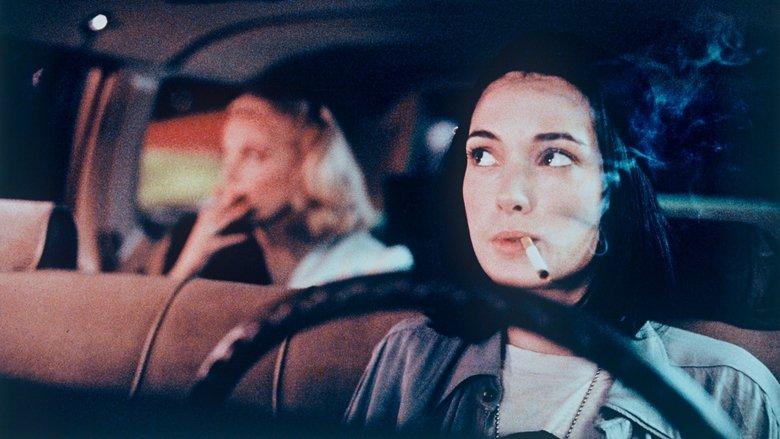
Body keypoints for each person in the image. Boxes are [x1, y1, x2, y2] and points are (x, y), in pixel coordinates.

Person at [344, 34, 779, 438]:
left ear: (613, 192)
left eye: (554, 157)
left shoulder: (728, 392)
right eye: (483, 155)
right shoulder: (409, 360)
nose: (510, 196)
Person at [163, 91, 413, 288]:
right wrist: (186, 268)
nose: (228, 175)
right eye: (226, 154)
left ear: (308, 166)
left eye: (254, 155)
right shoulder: (225, 257)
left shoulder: (373, 268)